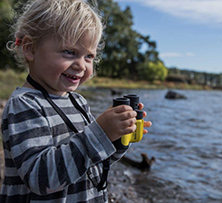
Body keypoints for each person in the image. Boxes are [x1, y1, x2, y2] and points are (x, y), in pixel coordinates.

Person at [0, 0, 152, 202]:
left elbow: (92, 160)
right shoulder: (25, 104)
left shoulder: (78, 101)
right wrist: (100, 132)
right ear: (30, 48)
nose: (81, 65)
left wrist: (116, 138)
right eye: (69, 52)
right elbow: (40, 178)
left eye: (89, 56)